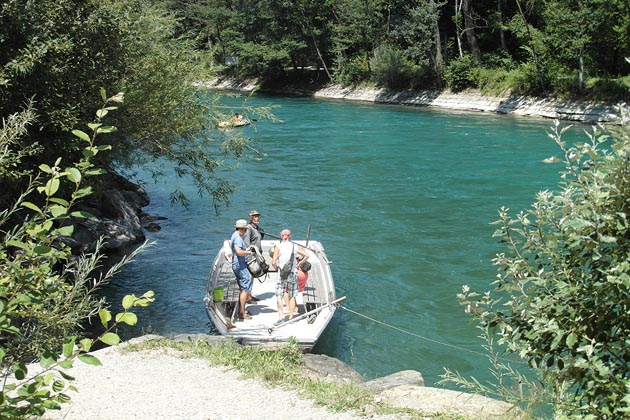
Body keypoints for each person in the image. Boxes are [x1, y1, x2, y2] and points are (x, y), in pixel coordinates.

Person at [271, 229, 308, 324]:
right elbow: (306, 255)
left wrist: (276, 268)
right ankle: (291, 317)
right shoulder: (294, 246)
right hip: (292, 273)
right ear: (290, 236)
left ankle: (281, 318)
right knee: (292, 296)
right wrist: (299, 264)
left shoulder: (278, 246)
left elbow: (274, 261)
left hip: (281, 273)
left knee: (279, 295)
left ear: (281, 235)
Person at [230, 219, 255, 321]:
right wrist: (249, 253)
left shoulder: (234, 236)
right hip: (240, 265)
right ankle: (241, 312)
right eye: (245, 230)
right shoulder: (238, 238)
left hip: (237, 264)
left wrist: (246, 250)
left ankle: (242, 309)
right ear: (242, 229)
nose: (245, 232)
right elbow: (238, 252)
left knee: (242, 287)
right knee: (245, 286)